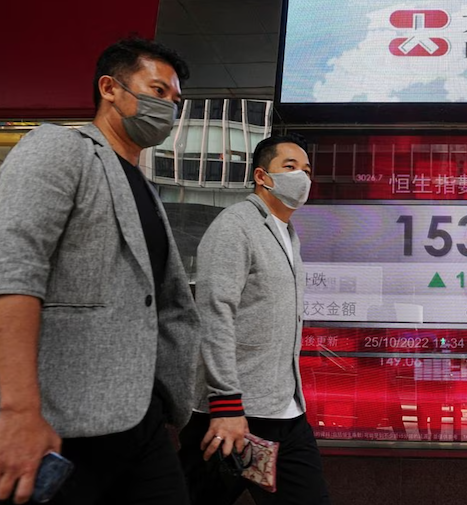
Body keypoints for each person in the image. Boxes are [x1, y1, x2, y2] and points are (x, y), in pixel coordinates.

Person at [0, 38, 200, 504]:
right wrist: (16, 411)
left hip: (141, 420)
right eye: (157, 91)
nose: (168, 108)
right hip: (63, 422)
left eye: (175, 100)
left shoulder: (142, 186)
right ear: (109, 88)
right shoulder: (59, 148)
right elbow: (13, 267)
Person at [180, 134, 330, 504]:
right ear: (262, 176)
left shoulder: (287, 234)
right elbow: (214, 313)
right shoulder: (235, 226)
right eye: (290, 167)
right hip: (232, 413)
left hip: (284, 410)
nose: (302, 177)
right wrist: (226, 403)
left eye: (306, 170)